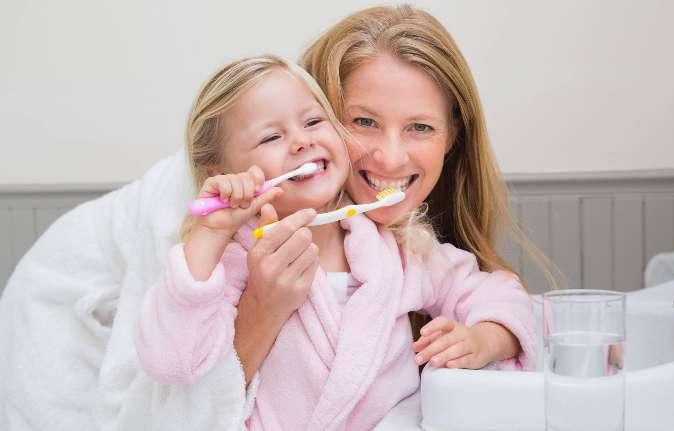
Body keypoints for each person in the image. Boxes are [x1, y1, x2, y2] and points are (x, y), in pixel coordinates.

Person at [134, 53, 535, 430]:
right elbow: (173, 361)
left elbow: (499, 293)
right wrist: (210, 233)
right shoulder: (233, 259)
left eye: (313, 122)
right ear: (222, 169)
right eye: (271, 136)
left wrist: (483, 339)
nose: (301, 142)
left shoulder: (398, 249)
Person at [235, 4, 557, 386]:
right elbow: (178, 387)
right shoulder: (233, 225)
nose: (389, 158)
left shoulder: (408, 252)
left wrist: (485, 340)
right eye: (364, 121)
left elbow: (501, 298)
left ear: (453, 136)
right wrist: (262, 308)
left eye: (420, 127)